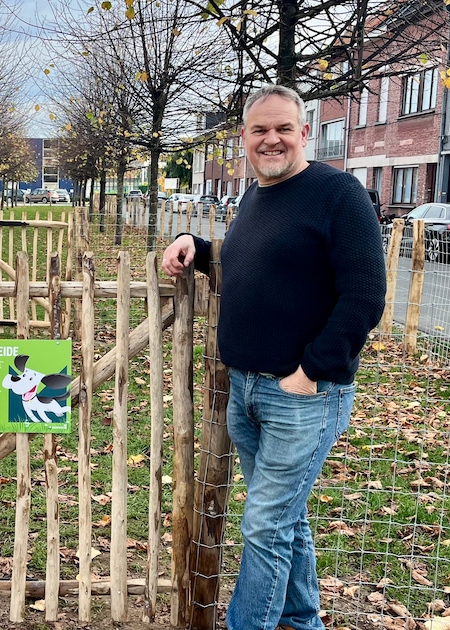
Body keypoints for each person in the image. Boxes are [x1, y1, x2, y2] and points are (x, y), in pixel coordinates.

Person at [161, 84, 386, 630]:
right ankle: (302, 621)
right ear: (243, 138)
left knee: (264, 523)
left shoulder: (339, 194)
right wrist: (199, 243)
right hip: (247, 389)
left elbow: (365, 296)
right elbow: (256, 259)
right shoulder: (254, 197)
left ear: (304, 132)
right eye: (259, 130)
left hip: (303, 394)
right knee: (286, 521)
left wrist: (310, 373)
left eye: (284, 128)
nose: (272, 139)